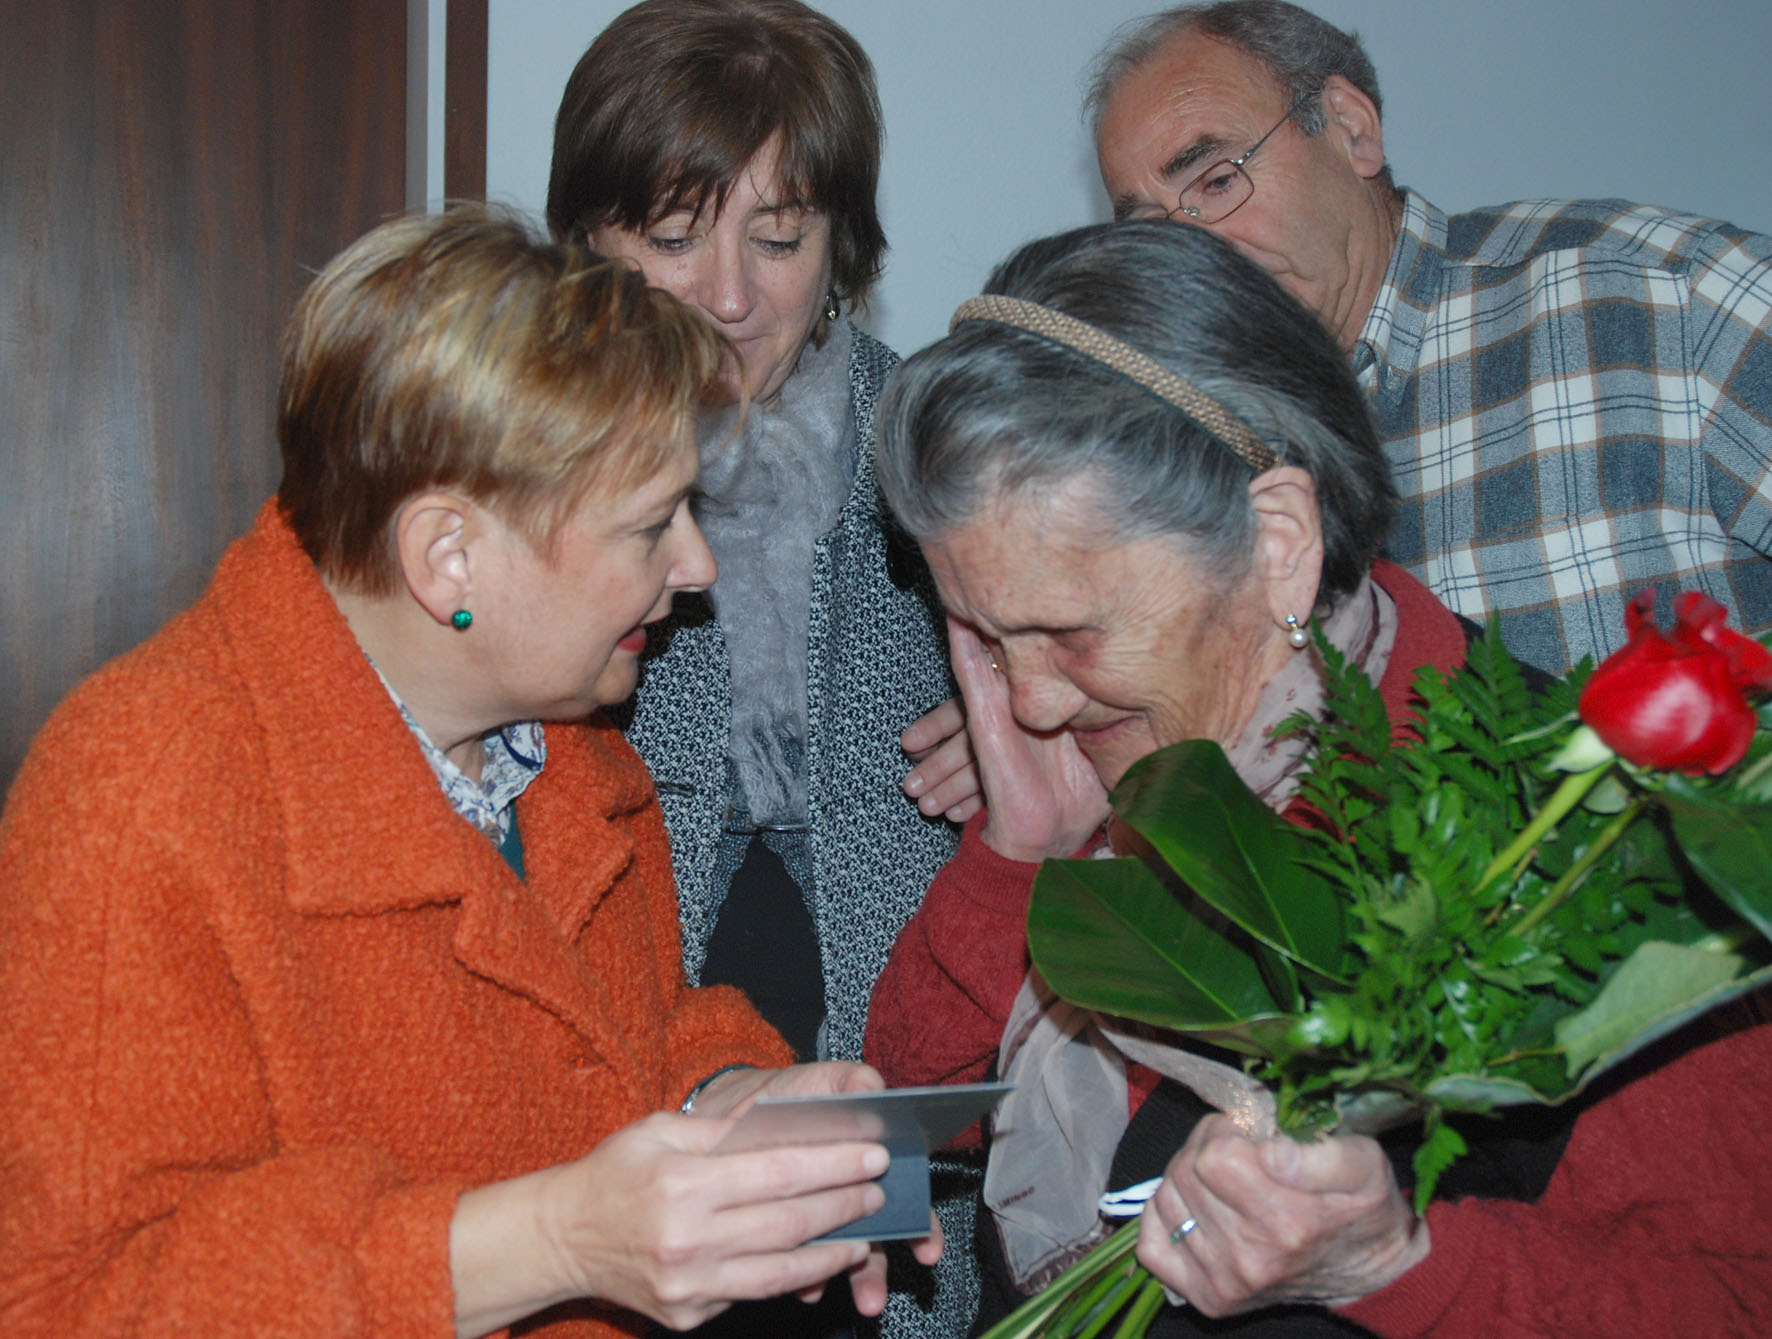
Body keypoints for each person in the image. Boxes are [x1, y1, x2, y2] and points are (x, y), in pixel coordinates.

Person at [0, 206, 943, 1339]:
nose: (696, 565)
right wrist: (551, 1239)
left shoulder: (570, 750)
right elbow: (73, 1300)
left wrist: (729, 1097)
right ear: (449, 556)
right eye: (650, 525)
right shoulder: (136, 796)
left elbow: (623, 1041)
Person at [862, 219, 1772, 1336]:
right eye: (985, 638)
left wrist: (1390, 1262)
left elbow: (1732, 1297)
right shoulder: (1122, 756)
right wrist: (1019, 858)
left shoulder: (1571, 848)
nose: (1031, 700)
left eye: (1067, 634)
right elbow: (915, 1115)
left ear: (1279, 540)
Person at [546, 5, 980, 1335]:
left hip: (896, 1019)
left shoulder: (947, 440)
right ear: (589, 240)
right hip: (618, 1015)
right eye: (675, 237)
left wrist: (1029, 713)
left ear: (840, 243)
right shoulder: (521, 458)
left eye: (778, 238)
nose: (729, 296)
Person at [1088, 0, 1772, 678]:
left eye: (1217, 180)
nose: (1197, 254)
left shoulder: (1662, 295)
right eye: (1152, 230)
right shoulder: (1181, 447)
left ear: (1352, 129)